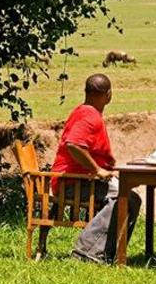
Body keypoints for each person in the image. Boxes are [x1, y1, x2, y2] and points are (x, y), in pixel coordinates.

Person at [49, 73, 141, 264]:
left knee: (131, 199)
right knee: (123, 197)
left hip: (79, 179)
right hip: (73, 182)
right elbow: (73, 145)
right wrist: (97, 170)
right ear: (108, 95)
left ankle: (107, 253)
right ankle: (87, 251)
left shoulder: (84, 111)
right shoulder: (89, 116)